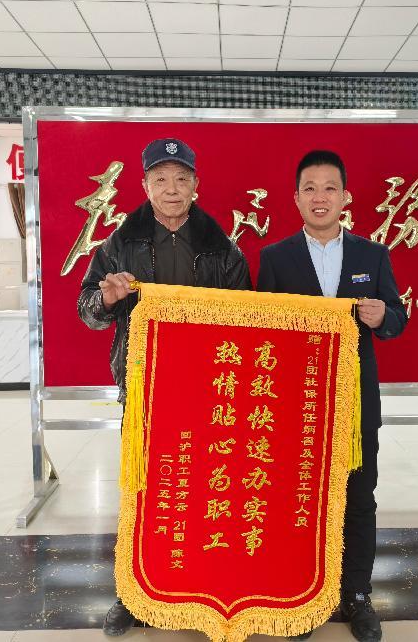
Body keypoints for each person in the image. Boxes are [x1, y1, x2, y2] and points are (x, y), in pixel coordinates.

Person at [77, 137, 252, 636]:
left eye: (180, 179)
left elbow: (246, 319)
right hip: (144, 386)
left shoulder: (223, 248)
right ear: (144, 186)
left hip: (208, 391)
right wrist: (108, 299)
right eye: (160, 179)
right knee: (142, 488)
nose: (171, 189)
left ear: (196, 185)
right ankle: (131, 593)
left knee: (205, 487)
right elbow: (87, 311)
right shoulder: (118, 245)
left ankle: (201, 581)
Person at [257, 150, 408, 642]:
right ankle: (300, 593)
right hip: (295, 406)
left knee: (359, 499)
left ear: (345, 197)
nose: (319, 197)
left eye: (329, 188)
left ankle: (357, 594)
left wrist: (383, 317)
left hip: (356, 403)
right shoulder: (275, 258)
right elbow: (263, 331)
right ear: (296, 198)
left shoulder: (372, 255)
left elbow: (398, 317)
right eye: (310, 188)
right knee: (297, 500)